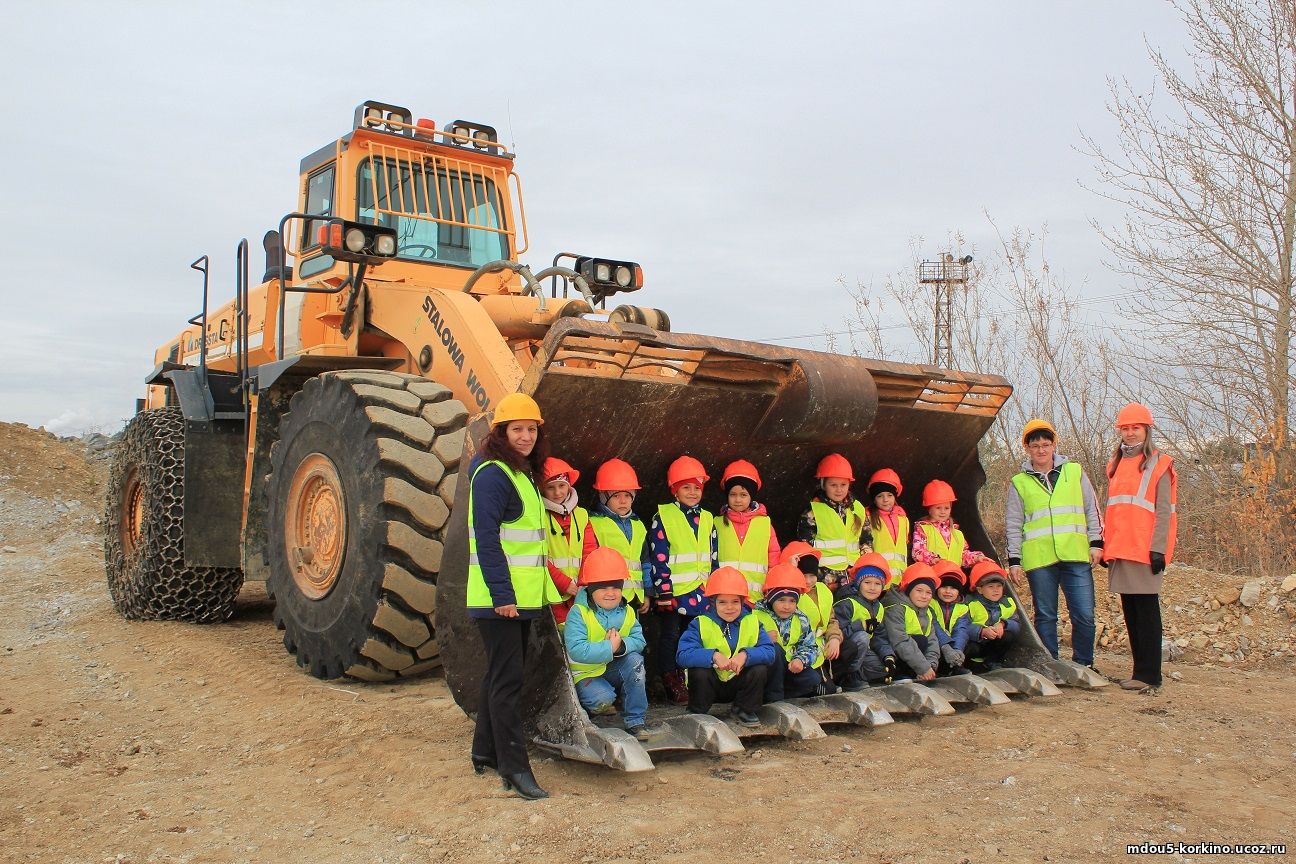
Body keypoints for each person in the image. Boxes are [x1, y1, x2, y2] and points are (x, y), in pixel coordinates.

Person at [465, 392, 555, 800]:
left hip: (518, 598)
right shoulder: (491, 475)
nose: (525, 436)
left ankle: (484, 752)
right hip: (499, 599)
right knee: (508, 682)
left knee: (497, 676)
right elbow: (487, 539)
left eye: (531, 429)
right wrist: (502, 594)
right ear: (500, 432)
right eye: (517, 429)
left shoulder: (520, 474)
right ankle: (515, 769)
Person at [1005, 419, 1104, 671]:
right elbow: (1014, 523)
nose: (1041, 450)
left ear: (1054, 445)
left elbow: (1091, 509)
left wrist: (1096, 542)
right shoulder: (1019, 482)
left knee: (1084, 614)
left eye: (1045, 444)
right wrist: (1014, 560)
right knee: (1046, 616)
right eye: (1035, 445)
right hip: (1040, 559)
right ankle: (1050, 666)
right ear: (1027, 448)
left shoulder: (1074, 472)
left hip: (1075, 553)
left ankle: (1084, 663)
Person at [1102, 402, 1177, 692]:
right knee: (1131, 612)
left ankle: (1149, 675)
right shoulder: (1116, 463)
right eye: (1126, 428)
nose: (1131, 433)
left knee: (1146, 613)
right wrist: (1108, 546)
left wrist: (1159, 549)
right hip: (1122, 548)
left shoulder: (1160, 464)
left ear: (1147, 430)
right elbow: (1116, 509)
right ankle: (1140, 671)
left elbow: (1163, 512)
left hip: (1145, 551)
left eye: (1136, 428)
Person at [649, 455, 718, 705]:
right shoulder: (663, 516)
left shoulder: (708, 518)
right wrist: (664, 592)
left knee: (697, 635)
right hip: (674, 593)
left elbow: (713, 556)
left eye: (696, 487)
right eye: (685, 487)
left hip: (701, 591)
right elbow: (659, 556)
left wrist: (716, 588)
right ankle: (671, 680)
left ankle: (695, 680)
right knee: (670, 636)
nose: (692, 492)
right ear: (674, 489)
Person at [564, 547, 651, 741]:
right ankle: (589, 707)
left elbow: (639, 640)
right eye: (603, 587)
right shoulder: (579, 613)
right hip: (586, 673)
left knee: (635, 661)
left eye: (615, 587)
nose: (610, 593)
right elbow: (576, 650)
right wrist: (608, 648)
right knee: (602, 700)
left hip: (612, 668)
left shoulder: (627, 611)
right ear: (592, 589)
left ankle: (636, 721)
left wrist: (620, 646)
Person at [676, 567, 776, 726]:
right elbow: (682, 655)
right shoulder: (699, 623)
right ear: (713, 603)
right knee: (699, 670)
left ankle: (744, 709)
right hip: (710, 684)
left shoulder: (753, 622)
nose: (729, 607)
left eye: (735, 601)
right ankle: (697, 710)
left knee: (759, 668)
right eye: (722, 602)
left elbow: (769, 652)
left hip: (738, 683)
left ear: (743, 602)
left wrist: (745, 655)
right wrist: (713, 656)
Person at [583, 458, 651, 614]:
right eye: (615, 496)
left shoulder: (638, 525)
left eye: (628, 495)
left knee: (632, 637)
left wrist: (647, 592)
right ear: (603, 496)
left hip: (634, 597)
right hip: (606, 598)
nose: (623, 501)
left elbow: (644, 562)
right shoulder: (593, 523)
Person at [752, 563, 825, 701]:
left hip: (789, 667)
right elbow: (743, 646)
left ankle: (780, 694)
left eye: (792, 601)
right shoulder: (755, 616)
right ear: (770, 599)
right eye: (781, 600)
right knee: (776, 650)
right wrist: (761, 640)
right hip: (766, 670)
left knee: (813, 679)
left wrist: (800, 660)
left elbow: (810, 646)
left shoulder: (801, 619)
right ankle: (773, 698)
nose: (787, 606)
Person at [797, 453, 870, 589]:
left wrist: (866, 568)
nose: (839, 490)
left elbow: (866, 540)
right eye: (833, 485)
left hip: (854, 575)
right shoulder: (813, 511)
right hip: (825, 577)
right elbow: (805, 547)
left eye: (843, 484)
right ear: (823, 484)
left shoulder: (858, 508)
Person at [715, 460, 781, 601]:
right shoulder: (716, 523)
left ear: (751, 496)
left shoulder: (765, 524)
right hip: (725, 599)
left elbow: (774, 559)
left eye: (743, 495)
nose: (738, 499)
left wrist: (772, 587)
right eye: (733, 494)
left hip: (755, 598)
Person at [781, 541, 847, 680]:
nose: (808, 581)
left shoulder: (823, 590)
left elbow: (831, 620)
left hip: (821, 645)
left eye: (812, 575)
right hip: (800, 650)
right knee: (817, 684)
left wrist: (834, 638)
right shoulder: (789, 593)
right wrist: (791, 572)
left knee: (851, 648)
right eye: (803, 575)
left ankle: (831, 677)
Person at [833, 552, 896, 688]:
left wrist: (888, 657)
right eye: (867, 582)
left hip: (864, 651)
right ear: (859, 583)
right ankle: (849, 677)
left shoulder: (879, 607)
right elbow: (837, 633)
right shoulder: (847, 603)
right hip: (843, 651)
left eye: (877, 584)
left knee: (883, 669)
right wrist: (861, 626)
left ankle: (859, 675)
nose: (872, 588)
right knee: (862, 637)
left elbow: (879, 637)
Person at [541, 457, 587, 630]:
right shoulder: (539, 517)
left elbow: (590, 551)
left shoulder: (582, 515)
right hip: (553, 593)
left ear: (569, 485)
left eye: (561, 485)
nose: (558, 492)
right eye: (550, 487)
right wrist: (564, 583)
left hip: (581, 592)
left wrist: (582, 584)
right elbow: (539, 554)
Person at [911, 480, 988, 570]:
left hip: (954, 579)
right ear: (929, 508)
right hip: (933, 579)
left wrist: (976, 558)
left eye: (946, 508)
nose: (943, 511)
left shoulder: (957, 533)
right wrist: (933, 559)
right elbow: (917, 552)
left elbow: (963, 556)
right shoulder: (922, 529)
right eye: (938, 508)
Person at [884, 563, 942, 681]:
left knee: (924, 641)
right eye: (919, 590)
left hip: (913, 659)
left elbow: (932, 640)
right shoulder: (896, 608)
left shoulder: (927, 611)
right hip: (889, 653)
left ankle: (914, 673)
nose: (924, 596)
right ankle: (899, 674)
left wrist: (930, 665)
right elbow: (899, 641)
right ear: (908, 590)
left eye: (928, 592)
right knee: (919, 640)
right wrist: (923, 668)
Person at [965, 560, 1021, 671]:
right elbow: (963, 626)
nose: (995, 590)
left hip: (993, 643)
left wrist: (1003, 624)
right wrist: (981, 631)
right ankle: (967, 664)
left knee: (1008, 636)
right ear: (980, 590)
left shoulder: (1007, 603)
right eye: (990, 586)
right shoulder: (969, 604)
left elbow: (1016, 624)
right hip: (976, 643)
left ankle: (992, 660)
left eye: (999, 586)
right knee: (970, 646)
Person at [866, 468, 909, 586]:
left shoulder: (903, 518)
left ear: (895, 496)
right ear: (874, 499)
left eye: (889, 495)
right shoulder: (867, 517)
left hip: (900, 581)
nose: (885, 500)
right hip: (878, 579)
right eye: (880, 496)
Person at [929, 559, 972, 676]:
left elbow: (961, 629)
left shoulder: (962, 608)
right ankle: (939, 668)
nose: (948, 591)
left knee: (967, 643)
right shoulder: (930, 603)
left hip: (951, 643)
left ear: (958, 591)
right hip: (937, 642)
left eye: (953, 588)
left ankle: (955, 666)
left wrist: (958, 649)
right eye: (944, 587)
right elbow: (934, 626)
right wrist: (946, 647)